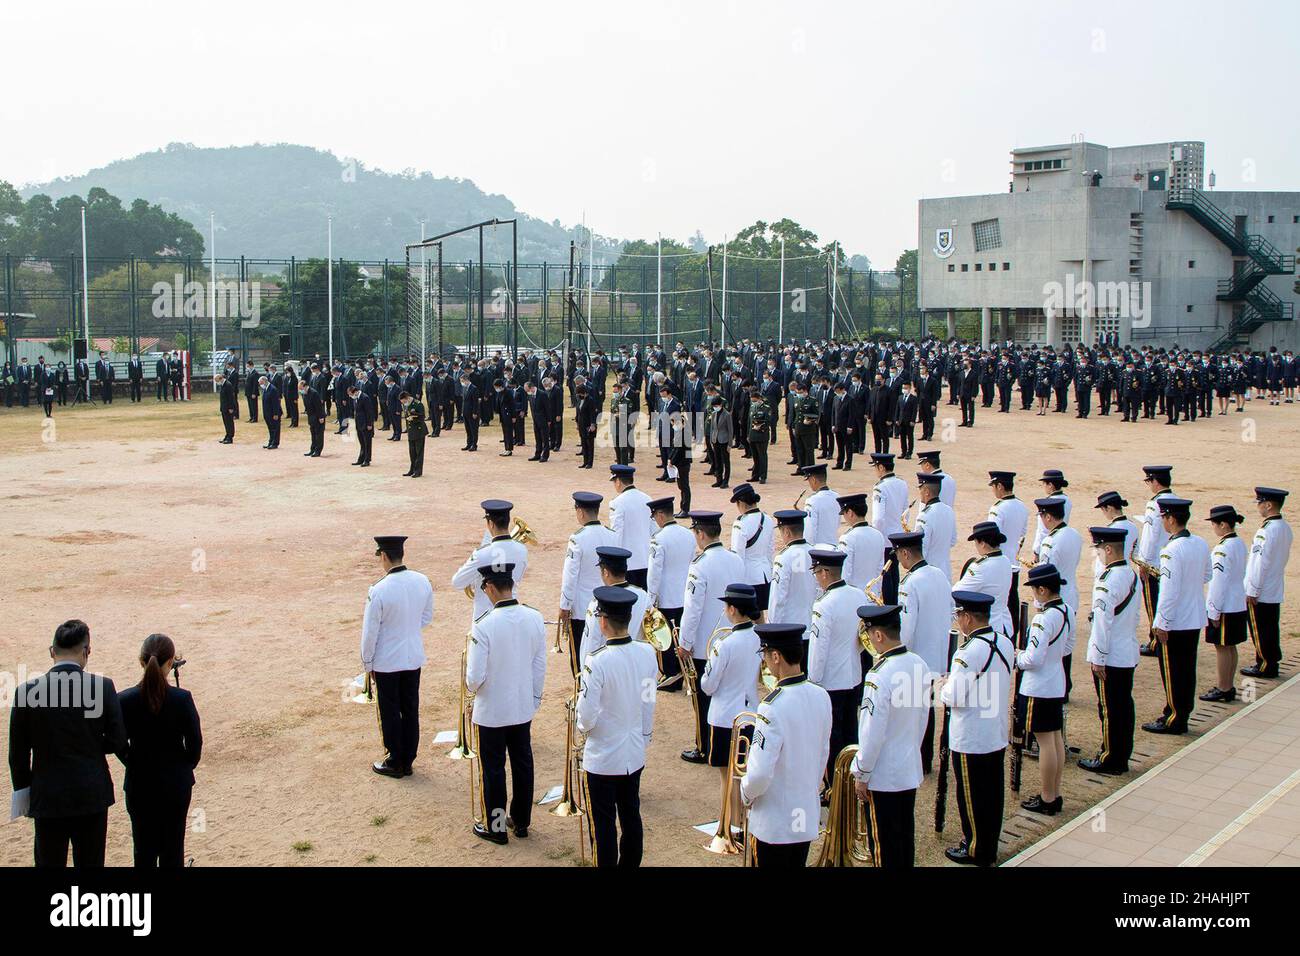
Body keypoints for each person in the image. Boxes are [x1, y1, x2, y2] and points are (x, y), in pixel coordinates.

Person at [8, 619, 127, 868]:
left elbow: (17, 755)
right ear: (86, 651)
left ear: (52, 651)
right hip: (91, 793)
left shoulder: (27, 692)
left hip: (47, 796)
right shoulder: (102, 687)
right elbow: (117, 741)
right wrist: (93, 745)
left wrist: (25, 793)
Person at [575, 586, 659, 867]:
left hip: (602, 757)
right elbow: (648, 702)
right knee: (631, 815)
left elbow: (586, 717)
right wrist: (643, 737)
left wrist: (582, 727)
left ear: (603, 620)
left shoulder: (596, 662)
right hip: (633, 752)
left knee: (603, 825)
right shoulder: (647, 653)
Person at [466, 562, 546, 845]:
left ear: (488, 587)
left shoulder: (483, 625)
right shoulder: (534, 618)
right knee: (523, 763)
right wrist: (534, 698)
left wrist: (471, 691)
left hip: (492, 710)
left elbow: (474, 678)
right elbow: (539, 666)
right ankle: (521, 821)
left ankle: (497, 827)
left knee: (494, 768)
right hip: (522, 705)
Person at [740, 623, 831, 867]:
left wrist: (745, 793)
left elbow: (759, 774)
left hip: (775, 821)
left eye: (766, 655)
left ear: (776, 656)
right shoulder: (821, 695)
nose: (766, 662)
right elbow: (823, 755)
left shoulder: (771, 707)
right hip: (804, 810)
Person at [852, 603, 931, 868]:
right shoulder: (919, 664)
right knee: (903, 840)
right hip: (907, 768)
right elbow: (922, 720)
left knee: (884, 847)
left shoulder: (878, 676)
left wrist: (862, 772)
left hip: (883, 775)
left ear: (878, 635)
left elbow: (871, 733)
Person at [939, 591, 1013, 866]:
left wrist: (944, 687)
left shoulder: (968, 651)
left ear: (967, 617)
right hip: (994, 731)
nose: (958, 620)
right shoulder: (1003, 642)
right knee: (992, 793)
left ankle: (976, 848)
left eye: (959, 615)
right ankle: (988, 841)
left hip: (971, 735)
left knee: (971, 795)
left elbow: (953, 696)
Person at [116, 633, 202, 867]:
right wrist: (183, 766)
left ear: (141, 661)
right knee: (173, 850)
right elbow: (195, 743)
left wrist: (131, 762)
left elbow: (117, 742)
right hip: (175, 783)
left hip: (140, 782)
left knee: (143, 851)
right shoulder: (181, 698)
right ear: (170, 662)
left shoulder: (124, 700)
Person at [361, 536, 435, 777]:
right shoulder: (422, 581)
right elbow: (426, 617)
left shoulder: (379, 589)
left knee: (390, 710)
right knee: (410, 708)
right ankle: (409, 759)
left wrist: (367, 662)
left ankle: (395, 759)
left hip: (386, 660)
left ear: (383, 556)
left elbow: (370, 632)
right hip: (413, 656)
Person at [676, 510, 745, 764]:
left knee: (703, 698)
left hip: (706, 642)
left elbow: (692, 609)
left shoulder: (700, 565)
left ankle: (705, 745)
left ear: (701, 533)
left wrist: (685, 642)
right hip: (735, 635)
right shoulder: (735, 559)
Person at [1142, 497, 1211, 736]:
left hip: (1176, 621)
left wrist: (1160, 623)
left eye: (1163, 517)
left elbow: (1168, 592)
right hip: (1194, 617)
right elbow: (1206, 575)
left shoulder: (1171, 550)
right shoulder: (1200, 543)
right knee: (1187, 669)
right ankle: (1182, 712)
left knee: (1172, 671)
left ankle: (1174, 717)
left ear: (1171, 519)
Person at [699, 583, 762, 830]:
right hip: (750, 712)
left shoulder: (724, 644)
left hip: (725, 716)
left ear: (733, 609)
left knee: (728, 776)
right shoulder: (759, 638)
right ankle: (742, 821)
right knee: (744, 773)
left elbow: (708, 685)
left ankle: (731, 824)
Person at [806, 548, 869, 786]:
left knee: (831, 739)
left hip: (830, 680)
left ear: (823, 573)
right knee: (850, 733)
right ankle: (850, 782)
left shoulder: (823, 605)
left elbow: (818, 651)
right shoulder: (857, 595)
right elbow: (863, 640)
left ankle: (835, 788)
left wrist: (813, 681)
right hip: (852, 674)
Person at [1080, 528, 1140, 775]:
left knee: (1110, 709)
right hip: (1126, 650)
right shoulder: (1129, 573)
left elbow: (1103, 623)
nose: (1097, 554)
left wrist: (1099, 657)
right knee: (1123, 707)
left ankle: (1110, 757)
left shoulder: (1107, 581)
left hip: (1111, 655)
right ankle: (1121, 754)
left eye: (1098, 549)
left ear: (1107, 549)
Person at [892, 531, 952, 771]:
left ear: (905, 552)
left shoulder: (909, 584)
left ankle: (917, 759)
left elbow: (906, 629)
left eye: (898, 555)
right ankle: (925, 758)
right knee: (928, 709)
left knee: (913, 714)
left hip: (917, 657)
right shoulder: (939, 574)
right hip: (937, 653)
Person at [1016, 564, 1070, 816]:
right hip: (1055, 681)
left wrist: (1018, 657)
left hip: (1039, 685)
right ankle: (1054, 792)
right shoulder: (1066, 610)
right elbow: (1067, 647)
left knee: (1046, 741)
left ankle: (1048, 796)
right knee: (1054, 738)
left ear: (1043, 589)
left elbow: (1033, 659)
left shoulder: (1043, 619)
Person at [559, 492, 617, 676]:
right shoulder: (612, 535)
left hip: (583, 606)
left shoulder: (577, 538)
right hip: (610, 604)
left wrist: (564, 605)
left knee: (580, 654)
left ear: (581, 512)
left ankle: (580, 693)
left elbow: (570, 576)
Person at [1243, 486, 1293, 679]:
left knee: (1261, 628)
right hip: (1274, 586)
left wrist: (1253, 589)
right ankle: (1270, 661)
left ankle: (1264, 664)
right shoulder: (1284, 527)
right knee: (1270, 627)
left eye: (1260, 503)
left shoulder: (1266, 531)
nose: (1259, 506)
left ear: (1269, 505)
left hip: (1262, 589)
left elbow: (1260, 563)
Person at [578, 547, 650, 662]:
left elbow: (591, 642)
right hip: (637, 660)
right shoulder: (643, 595)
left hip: (607, 664)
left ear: (606, 572)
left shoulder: (598, 603)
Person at [609, 465, 652, 589]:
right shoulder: (647, 499)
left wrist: (613, 561)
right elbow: (654, 531)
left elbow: (617, 534)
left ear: (618, 481)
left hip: (628, 563)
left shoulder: (617, 503)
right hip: (646, 559)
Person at [914, 472, 957, 582]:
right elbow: (952, 541)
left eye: (921, 489)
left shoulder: (924, 515)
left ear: (927, 491)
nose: (920, 492)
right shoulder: (949, 511)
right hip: (945, 571)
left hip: (928, 573)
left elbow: (921, 549)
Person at [401, 391, 428, 478]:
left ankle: (418, 471)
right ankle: (412, 469)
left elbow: (422, 417)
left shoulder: (418, 404)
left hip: (419, 431)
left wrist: (413, 419)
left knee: (419, 452)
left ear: (408, 398)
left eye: (404, 401)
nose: (404, 403)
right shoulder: (406, 405)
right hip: (411, 431)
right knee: (412, 452)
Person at [302, 377, 326, 457]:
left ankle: (318, 451)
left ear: (305, 386)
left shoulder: (314, 393)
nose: (300, 390)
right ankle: (312, 449)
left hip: (318, 416)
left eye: (301, 388)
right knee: (313, 434)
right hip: (311, 417)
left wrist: (321, 417)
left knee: (319, 434)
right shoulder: (305, 394)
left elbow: (319, 406)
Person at [259, 375, 282, 449]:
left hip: (273, 413)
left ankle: (275, 443)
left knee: (275, 428)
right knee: (270, 428)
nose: (260, 385)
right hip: (267, 413)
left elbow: (276, 403)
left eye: (261, 383)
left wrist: (276, 413)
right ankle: (271, 441)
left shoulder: (273, 389)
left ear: (265, 381)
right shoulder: (266, 389)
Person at [218, 368, 239, 444]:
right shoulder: (223, 385)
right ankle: (227, 435)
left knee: (229, 422)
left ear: (221, 378)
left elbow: (231, 398)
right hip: (224, 407)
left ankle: (230, 437)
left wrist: (231, 407)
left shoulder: (228, 385)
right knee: (226, 422)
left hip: (228, 407)